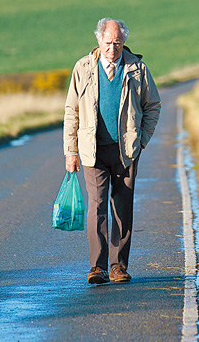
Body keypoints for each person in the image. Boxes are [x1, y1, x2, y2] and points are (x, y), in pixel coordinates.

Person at [63, 18, 161, 284]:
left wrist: (141, 141)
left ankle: (118, 266)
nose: (112, 49)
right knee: (97, 207)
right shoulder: (83, 68)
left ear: (124, 42)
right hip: (93, 151)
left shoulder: (137, 69)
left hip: (125, 152)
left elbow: (153, 106)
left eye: (118, 43)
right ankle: (98, 267)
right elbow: (71, 111)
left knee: (122, 207)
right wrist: (70, 151)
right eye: (108, 43)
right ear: (99, 41)